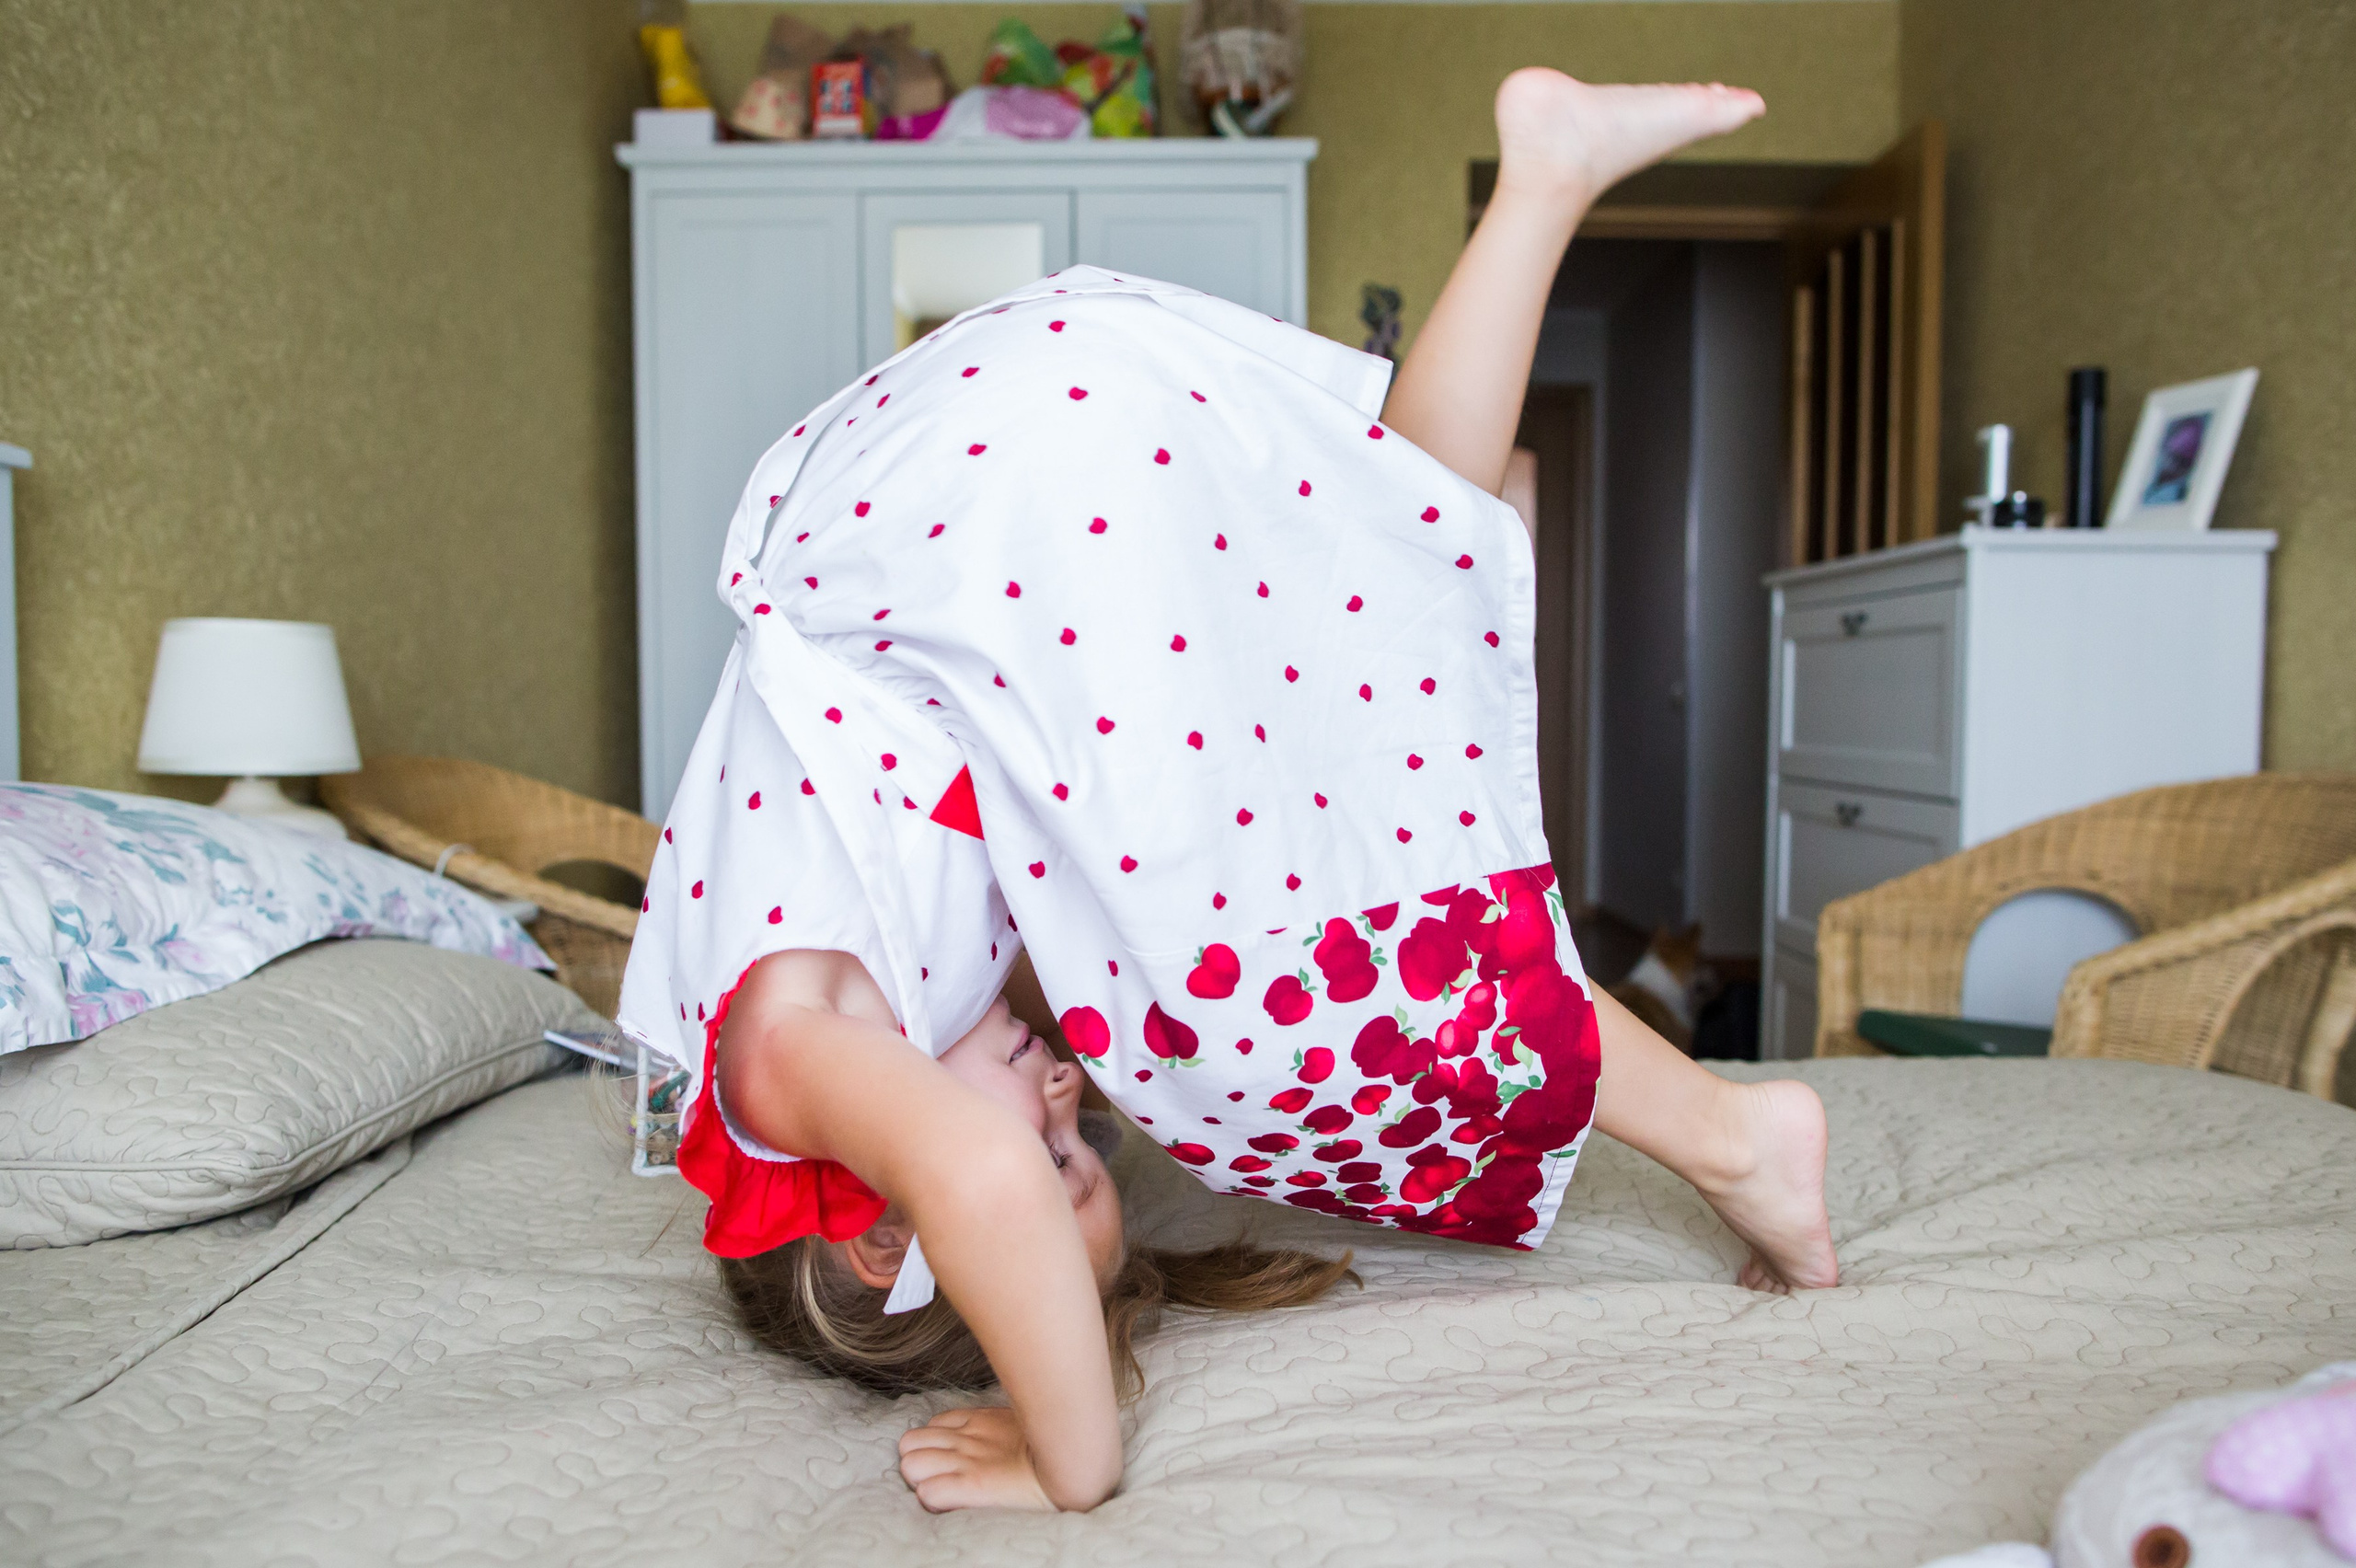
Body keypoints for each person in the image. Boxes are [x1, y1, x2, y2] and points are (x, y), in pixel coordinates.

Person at [617, 67, 1836, 1516]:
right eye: (1082, 1150)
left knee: (1270, 1016)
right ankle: (1547, 177)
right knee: (1375, 582)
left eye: (1057, 1155)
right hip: (995, 449)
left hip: (1002, 503)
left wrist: (1064, 1456)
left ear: (887, 1234)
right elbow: (997, 1142)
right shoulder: (873, 977)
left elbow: (982, 1185)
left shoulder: (779, 1065)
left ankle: (1732, 1136)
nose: (1067, 1102)